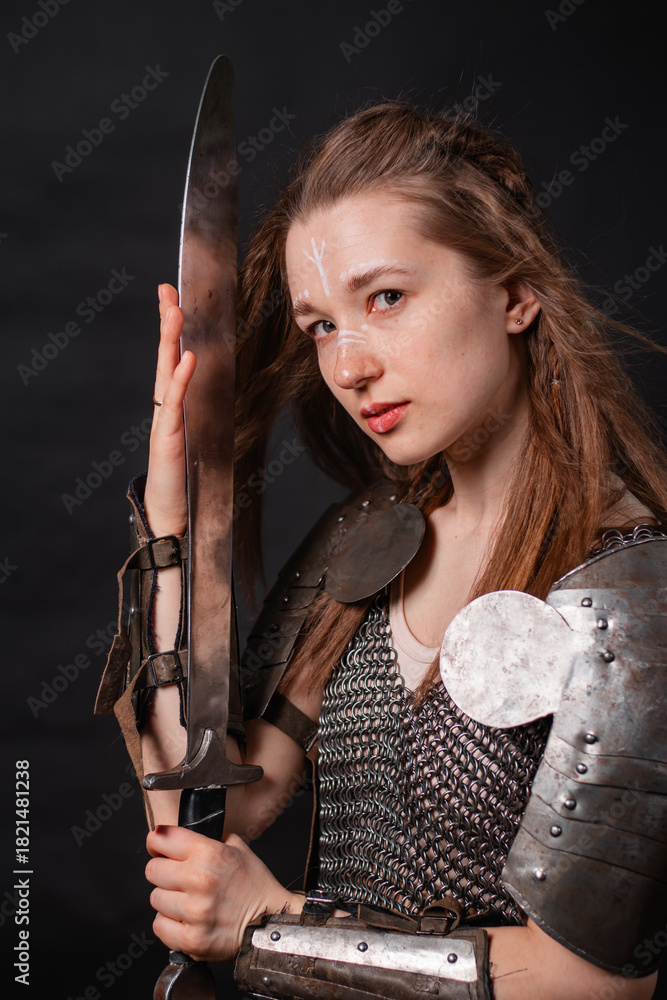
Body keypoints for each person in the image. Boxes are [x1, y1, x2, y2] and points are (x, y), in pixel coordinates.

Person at [101, 104, 667, 999]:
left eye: (386, 298)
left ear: (515, 292)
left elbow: (594, 979)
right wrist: (173, 523)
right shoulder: (365, 539)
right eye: (321, 324)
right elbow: (202, 816)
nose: (349, 365)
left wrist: (270, 928)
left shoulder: (629, 582)